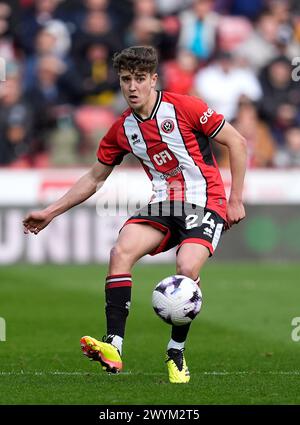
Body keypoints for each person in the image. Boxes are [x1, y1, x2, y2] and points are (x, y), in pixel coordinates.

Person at [23, 45, 247, 384]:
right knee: (120, 251)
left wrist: (235, 199)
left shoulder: (185, 107)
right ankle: (113, 345)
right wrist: (52, 211)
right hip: (164, 203)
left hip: (207, 201)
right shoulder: (121, 129)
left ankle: (176, 351)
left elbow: (238, 143)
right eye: (126, 79)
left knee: (186, 269)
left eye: (140, 79)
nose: (132, 87)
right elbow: (95, 178)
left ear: (154, 79)